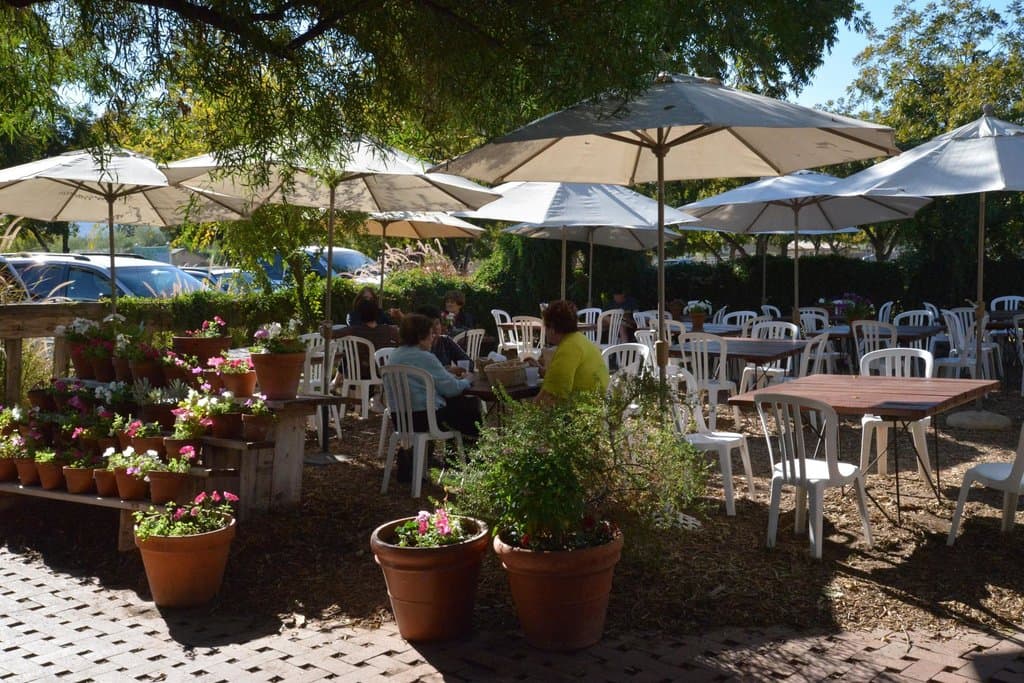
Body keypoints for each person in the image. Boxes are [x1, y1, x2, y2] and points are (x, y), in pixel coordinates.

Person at [388, 313, 482, 481]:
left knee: (459, 409)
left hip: (401, 417)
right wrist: (467, 380)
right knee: (469, 408)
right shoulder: (426, 357)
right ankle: (466, 462)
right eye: (431, 334)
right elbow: (451, 389)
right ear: (421, 336)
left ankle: (417, 462)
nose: (433, 338)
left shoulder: (395, 355)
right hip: (425, 417)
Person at [533, 299, 609, 406]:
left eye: (545, 326)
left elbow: (552, 395)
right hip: (599, 408)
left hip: (583, 413)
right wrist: (539, 368)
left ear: (552, 328)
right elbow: (561, 377)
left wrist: (522, 415)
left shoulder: (568, 348)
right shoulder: (580, 340)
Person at [333, 299, 399, 380]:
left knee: (349, 358)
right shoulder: (390, 330)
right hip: (384, 371)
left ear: (360, 314)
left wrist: (323, 327)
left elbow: (331, 334)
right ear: (377, 314)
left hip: (360, 372)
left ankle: (340, 385)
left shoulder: (354, 330)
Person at [416, 305, 472, 372]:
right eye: (430, 325)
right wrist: (447, 369)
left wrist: (461, 370)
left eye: (437, 323)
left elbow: (469, 363)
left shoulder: (446, 341)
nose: (435, 328)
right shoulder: (416, 347)